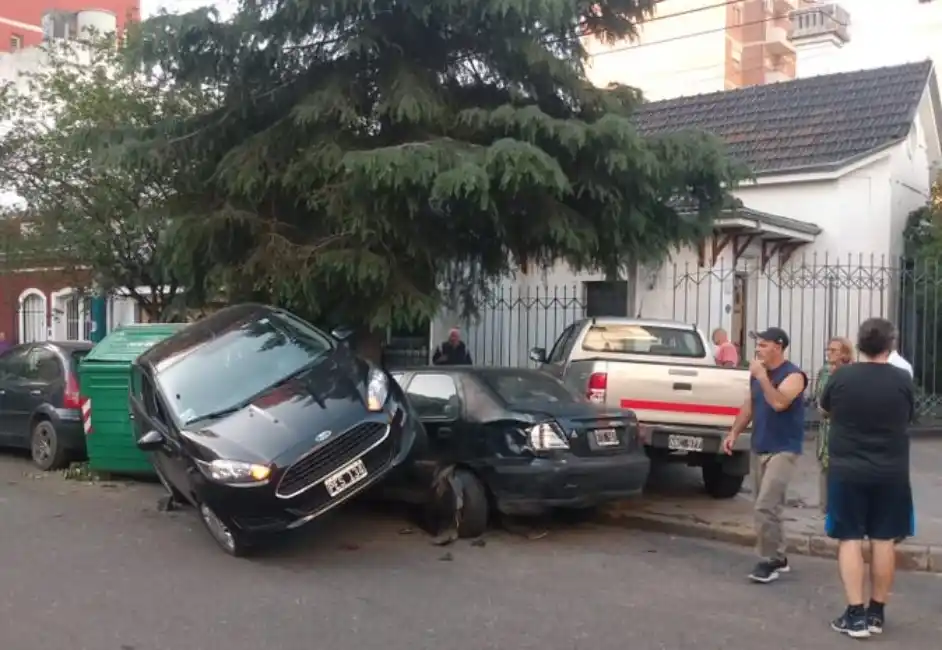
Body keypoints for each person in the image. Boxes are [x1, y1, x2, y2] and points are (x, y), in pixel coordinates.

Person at [820, 318, 915, 639]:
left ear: (859, 344)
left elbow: (825, 409)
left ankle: (855, 614)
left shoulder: (842, 376)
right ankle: (876, 612)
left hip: (848, 470)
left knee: (849, 538)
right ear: (891, 344)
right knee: (884, 539)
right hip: (891, 472)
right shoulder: (902, 379)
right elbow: (909, 415)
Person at [721, 327, 807, 584]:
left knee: (765, 506)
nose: (757, 349)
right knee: (770, 506)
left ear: (778, 347)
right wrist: (734, 432)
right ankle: (779, 556)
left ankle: (768, 560)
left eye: (763, 345)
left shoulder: (794, 376)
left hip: (784, 448)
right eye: (757, 345)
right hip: (761, 445)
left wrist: (761, 377)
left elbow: (779, 403)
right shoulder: (758, 375)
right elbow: (749, 406)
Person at [814, 337, 854, 515]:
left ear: (845, 353)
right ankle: (825, 509)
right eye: (828, 350)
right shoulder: (823, 372)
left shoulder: (852, 373)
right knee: (825, 469)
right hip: (826, 428)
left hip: (843, 429)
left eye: (833, 350)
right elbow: (819, 398)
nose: (829, 353)